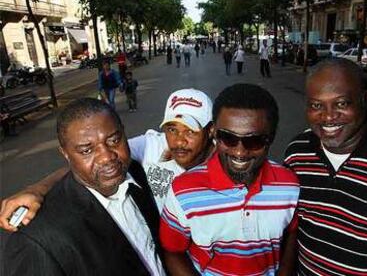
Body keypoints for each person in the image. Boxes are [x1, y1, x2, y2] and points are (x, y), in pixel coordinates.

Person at [0, 89, 215, 229]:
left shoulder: (229, 163)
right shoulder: (153, 144)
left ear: (210, 131)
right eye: (171, 129)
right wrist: (38, 189)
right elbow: (99, 161)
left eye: (191, 131)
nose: (178, 141)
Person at [4, 98, 166, 276]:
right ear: (65, 154)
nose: (106, 157)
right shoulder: (38, 241)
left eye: (113, 140)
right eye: (86, 150)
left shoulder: (139, 173)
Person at [284, 59, 367, 275]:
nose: (328, 117)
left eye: (342, 103)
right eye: (317, 105)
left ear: (365, 99)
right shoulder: (297, 153)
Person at [160, 83, 300, 276]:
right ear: (214, 133)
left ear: (271, 138)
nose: (240, 152)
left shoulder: (289, 185)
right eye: (228, 138)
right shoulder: (182, 191)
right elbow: (173, 251)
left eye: (254, 140)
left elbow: (291, 231)